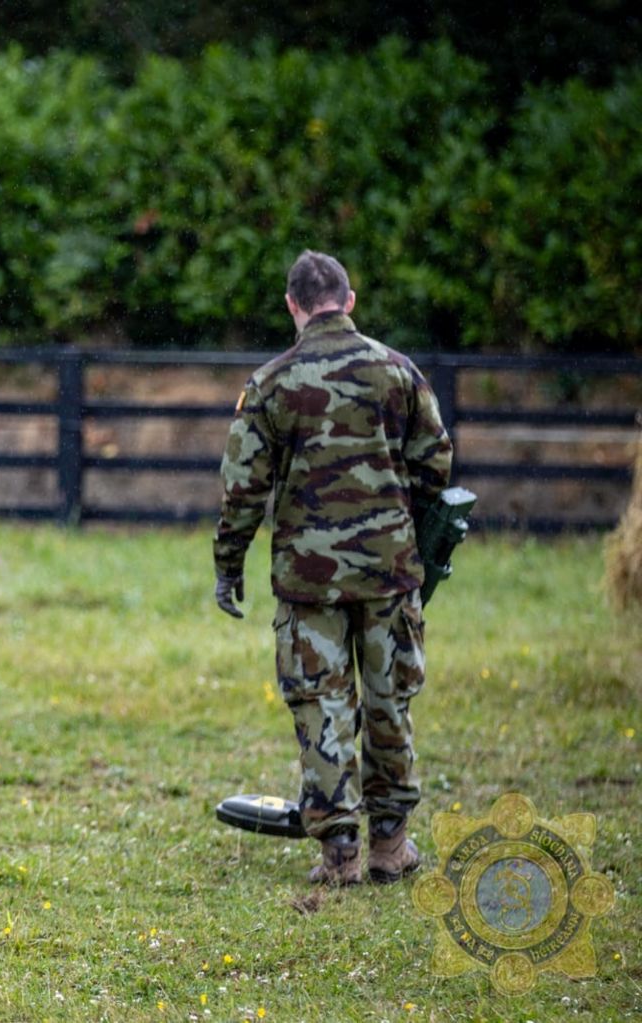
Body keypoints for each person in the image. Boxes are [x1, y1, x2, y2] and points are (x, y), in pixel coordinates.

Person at [213, 250, 453, 885]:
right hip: (390, 573)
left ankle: (340, 854)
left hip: (308, 581)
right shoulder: (399, 372)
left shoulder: (269, 383)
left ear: (293, 306)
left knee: (321, 708)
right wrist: (409, 531)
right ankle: (392, 846)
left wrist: (227, 566)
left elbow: (242, 490)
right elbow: (435, 464)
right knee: (388, 703)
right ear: (348, 300)